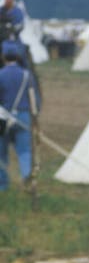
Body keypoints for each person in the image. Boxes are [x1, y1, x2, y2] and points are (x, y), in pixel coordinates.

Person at [0, 39, 39, 190]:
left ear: (3, 56)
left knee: (1, 153)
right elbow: (33, 98)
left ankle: (2, 185)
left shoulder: (1, 74)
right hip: (23, 116)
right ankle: (27, 178)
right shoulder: (27, 75)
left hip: (3, 117)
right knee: (24, 151)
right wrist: (35, 118)